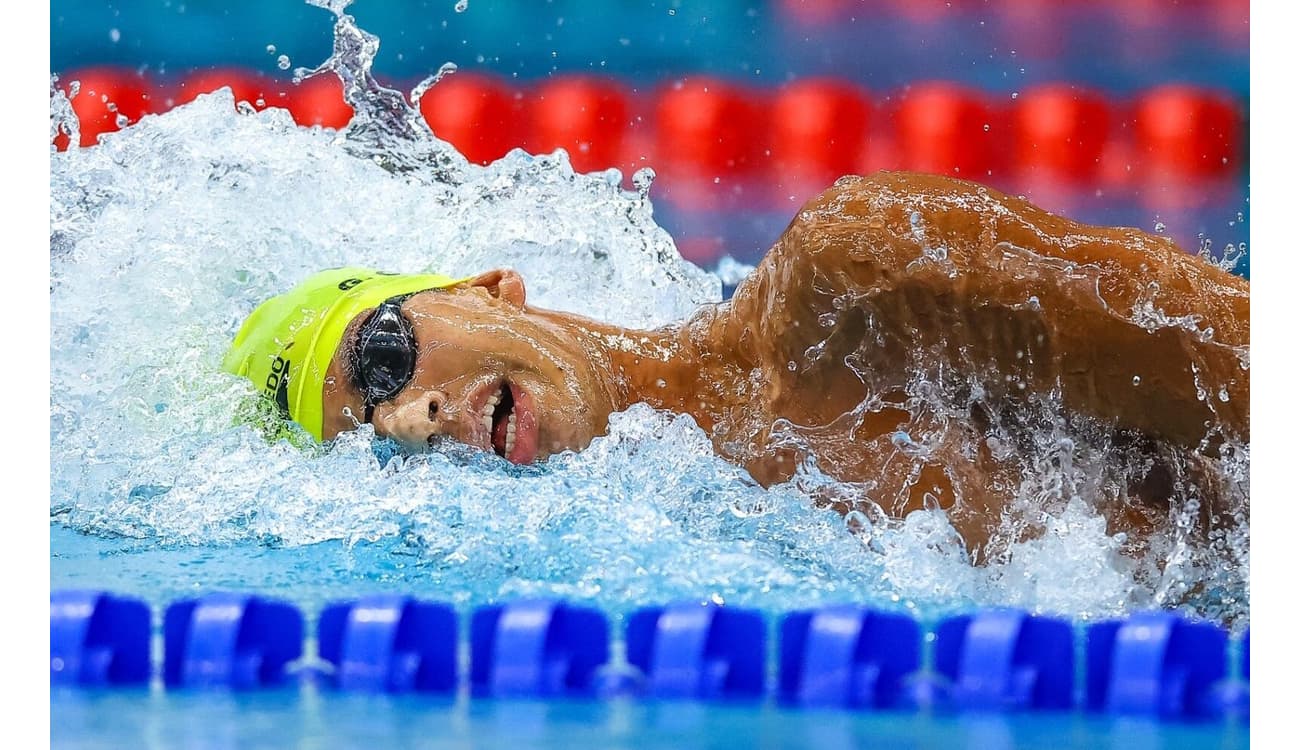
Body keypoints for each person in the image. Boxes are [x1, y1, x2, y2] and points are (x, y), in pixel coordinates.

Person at [225, 171, 1249, 559]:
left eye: (385, 357)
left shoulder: (856, 281)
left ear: (485, 286)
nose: (409, 418)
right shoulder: (641, 574)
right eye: (373, 439)